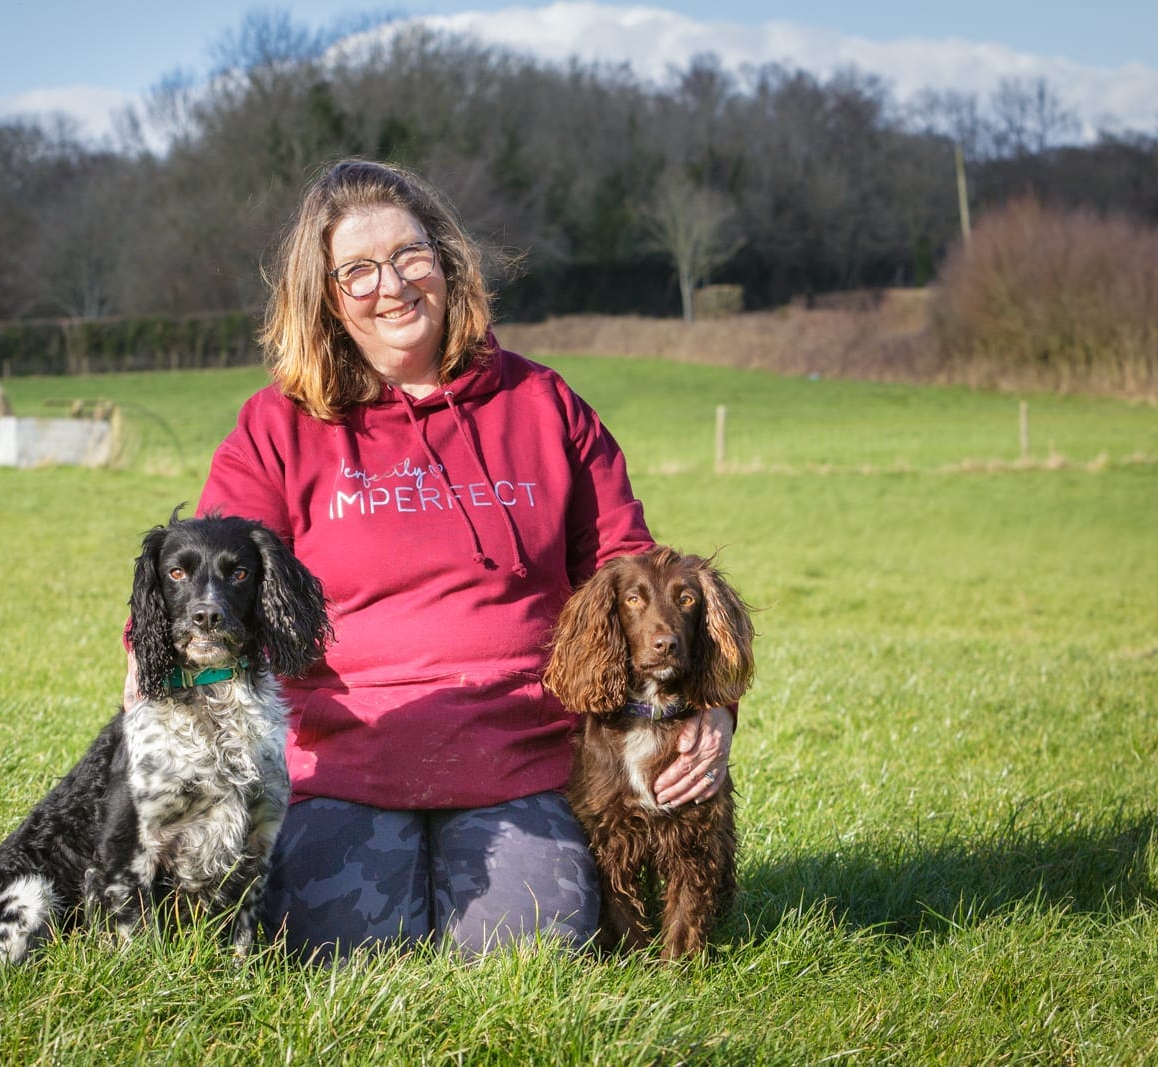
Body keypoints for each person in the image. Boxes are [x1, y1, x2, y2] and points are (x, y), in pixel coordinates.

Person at [127, 158, 735, 959]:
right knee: (340, 946)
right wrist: (150, 690)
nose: (393, 283)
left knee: (527, 951)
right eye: (358, 270)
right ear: (326, 296)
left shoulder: (544, 404)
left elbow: (638, 577)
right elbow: (201, 578)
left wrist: (713, 708)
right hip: (342, 761)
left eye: (412, 254)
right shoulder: (276, 426)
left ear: (447, 261)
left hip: (521, 759)